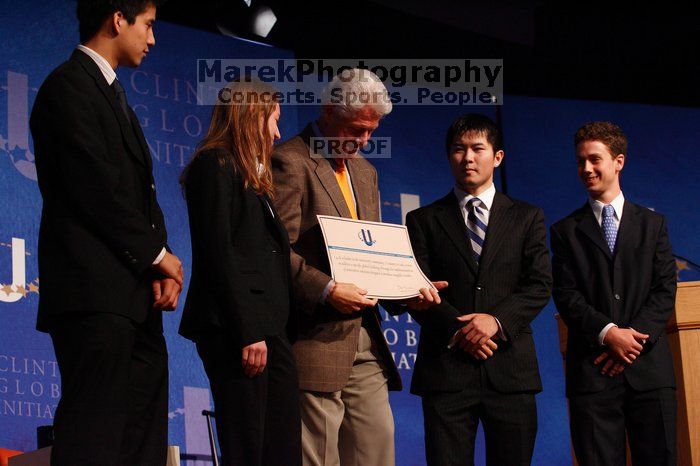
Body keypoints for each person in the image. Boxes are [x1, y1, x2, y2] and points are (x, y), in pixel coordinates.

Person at [29, 1, 183, 464]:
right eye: (148, 25)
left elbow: (140, 192)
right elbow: (94, 187)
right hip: (93, 296)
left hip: (133, 298)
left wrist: (159, 262)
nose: (153, 39)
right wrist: (157, 255)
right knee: (93, 436)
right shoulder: (68, 87)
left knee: (141, 442)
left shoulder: (112, 93)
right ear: (118, 19)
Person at [271, 68, 442, 466]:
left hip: (365, 341)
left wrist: (406, 289)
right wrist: (328, 289)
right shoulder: (290, 161)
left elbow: (373, 254)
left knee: (377, 452)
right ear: (329, 110)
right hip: (314, 339)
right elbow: (277, 252)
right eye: (356, 129)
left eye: (371, 131)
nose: (364, 140)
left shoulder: (366, 172)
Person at [404, 113, 552, 466]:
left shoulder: (527, 216)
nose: (467, 158)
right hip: (447, 371)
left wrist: (494, 321)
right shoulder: (422, 220)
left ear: (497, 157)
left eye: (477, 148)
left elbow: (539, 284)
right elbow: (415, 289)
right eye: (458, 149)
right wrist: (463, 330)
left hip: (510, 371)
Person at [178, 79, 301, 466]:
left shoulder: (253, 176)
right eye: (274, 121)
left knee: (281, 447)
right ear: (251, 116)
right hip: (238, 330)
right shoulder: (215, 165)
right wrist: (247, 331)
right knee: (248, 445)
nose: (278, 133)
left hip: (269, 329)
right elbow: (219, 254)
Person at [551, 121, 677, 466]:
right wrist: (608, 335)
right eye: (580, 161)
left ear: (618, 161)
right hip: (593, 374)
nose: (586, 169)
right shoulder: (565, 231)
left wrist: (631, 342)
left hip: (649, 372)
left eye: (595, 159)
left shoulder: (654, 226)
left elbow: (665, 288)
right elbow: (566, 294)